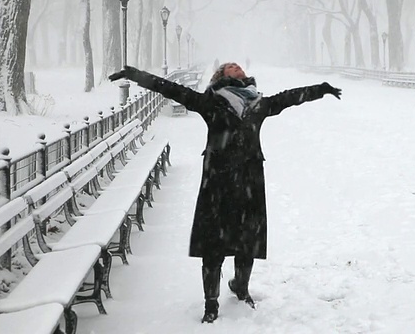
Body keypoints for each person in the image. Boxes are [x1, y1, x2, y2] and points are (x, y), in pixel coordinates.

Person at [108, 62, 341, 323]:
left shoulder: (258, 103)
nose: (237, 68)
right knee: (213, 242)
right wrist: (134, 75)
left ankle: (241, 287)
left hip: (250, 179)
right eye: (231, 67)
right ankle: (211, 303)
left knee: (247, 239)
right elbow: (171, 89)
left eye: (239, 66)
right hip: (218, 182)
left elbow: (288, 98)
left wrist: (320, 89)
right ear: (221, 75)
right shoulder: (211, 102)